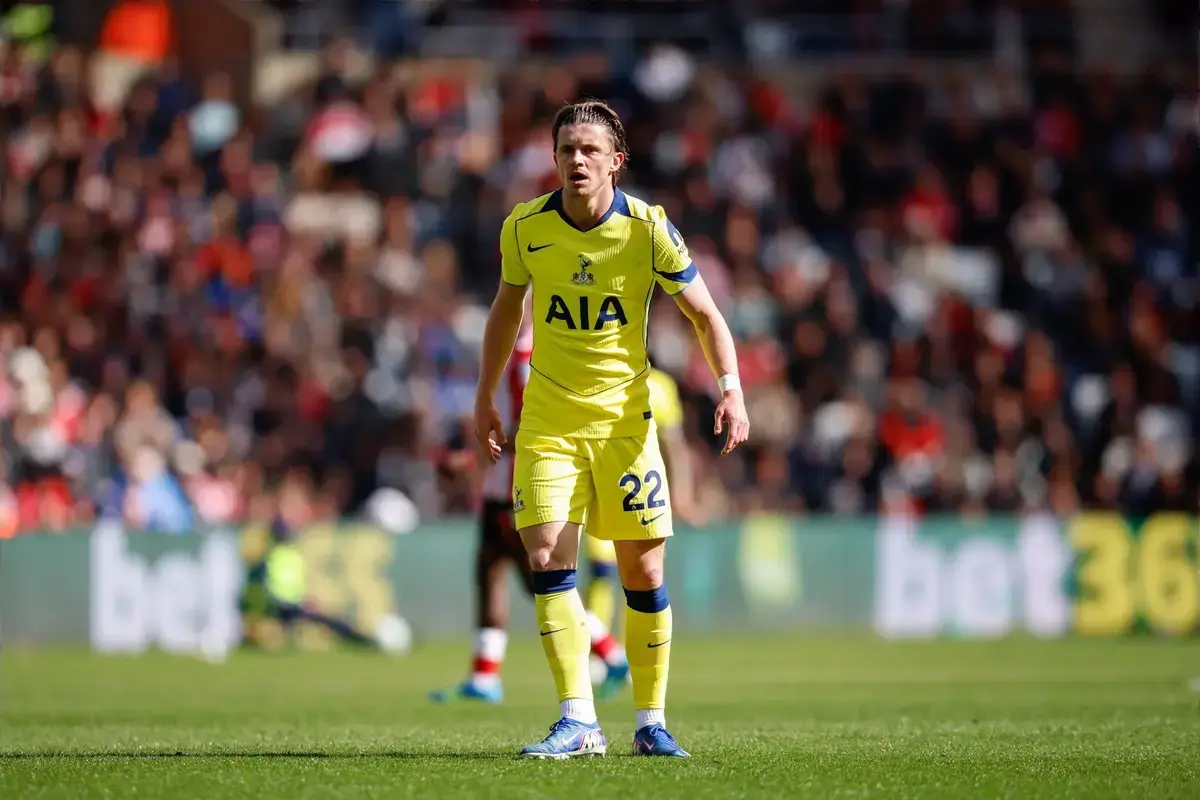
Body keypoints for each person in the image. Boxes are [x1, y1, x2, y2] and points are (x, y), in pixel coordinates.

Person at [474, 99, 749, 759]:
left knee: (643, 570)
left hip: (625, 421)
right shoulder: (525, 228)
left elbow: (705, 316)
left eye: (590, 150)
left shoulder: (650, 230)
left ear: (616, 161)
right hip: (549, 420)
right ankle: (577, 719)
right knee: (545, 559)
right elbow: (505, 314)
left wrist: (732, 390)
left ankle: (651, 722)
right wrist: (485, 397)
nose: (577, 160)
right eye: (567, 148)